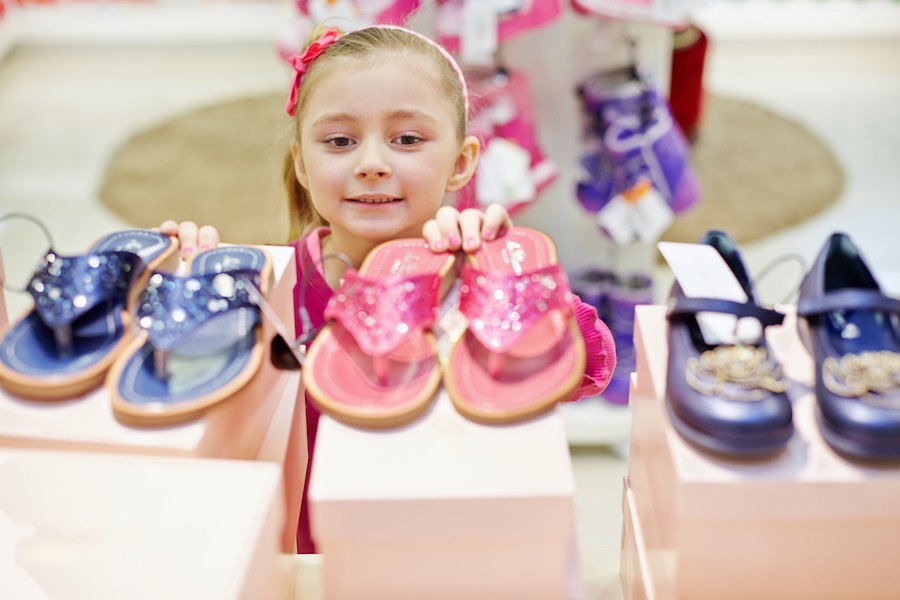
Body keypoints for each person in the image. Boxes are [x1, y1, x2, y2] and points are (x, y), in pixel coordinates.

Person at [161, 24, 616, 554]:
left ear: (462, 162)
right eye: (339, 141)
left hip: (441, 554)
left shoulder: (477, 280)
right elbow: (202, 412)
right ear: (303, 165)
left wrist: (508, 280)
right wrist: (186, 297)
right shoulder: (271, 286)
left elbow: (592, 366)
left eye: (407, 139)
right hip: (309, 560)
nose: (372, 164)